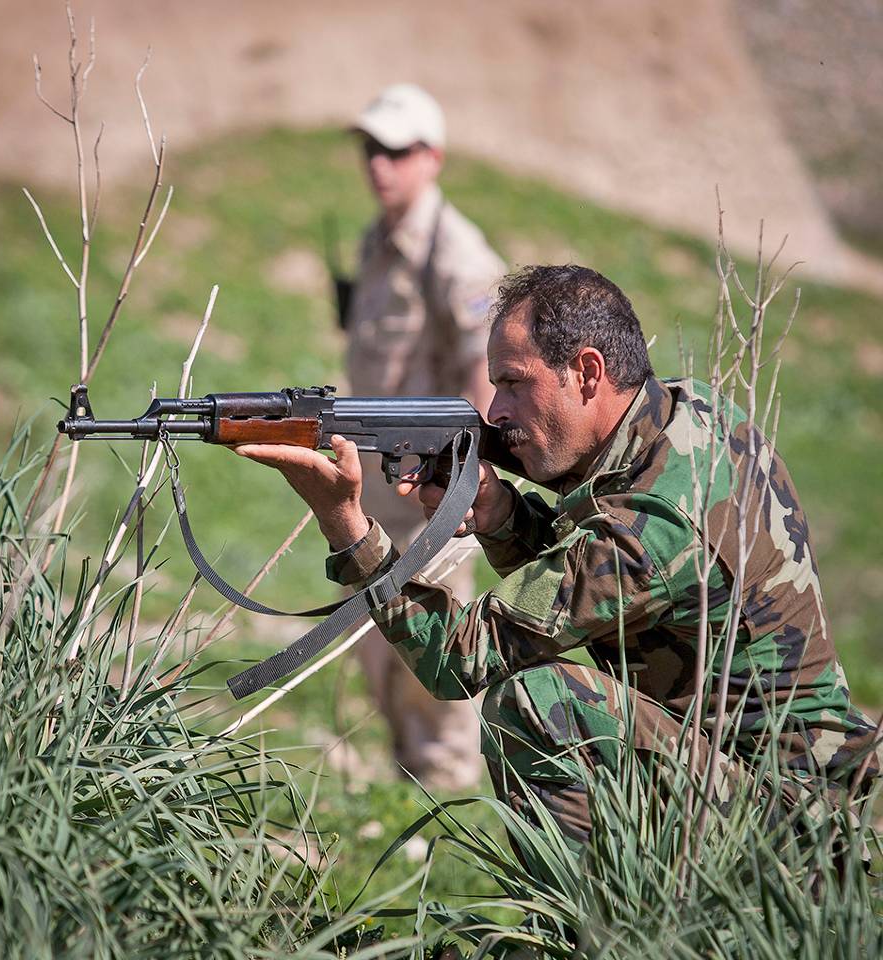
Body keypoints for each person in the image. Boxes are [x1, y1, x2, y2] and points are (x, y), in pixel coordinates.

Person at [235, 264, 881, 850]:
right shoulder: (686, 417)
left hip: (792, 824)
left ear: (589, 373)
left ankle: (597, 927)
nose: (496, 412)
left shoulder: (658, 522)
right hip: (757, 776)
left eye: (514, 384)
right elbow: (596, 586)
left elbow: (463, 658)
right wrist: (501, 514)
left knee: (538, 702)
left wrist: (347, 525)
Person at [338, 83, 506, 790]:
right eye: (371, 149)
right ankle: (409, 784)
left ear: (432, 157)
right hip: (381, 487)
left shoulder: (457, 255)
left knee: (432, 652)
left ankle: (445, 785)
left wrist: (458, 485)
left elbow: (485, 373)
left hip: (429, 493)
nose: (380, 164)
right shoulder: (378, 241)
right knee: (378, 644)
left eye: (397, 151)